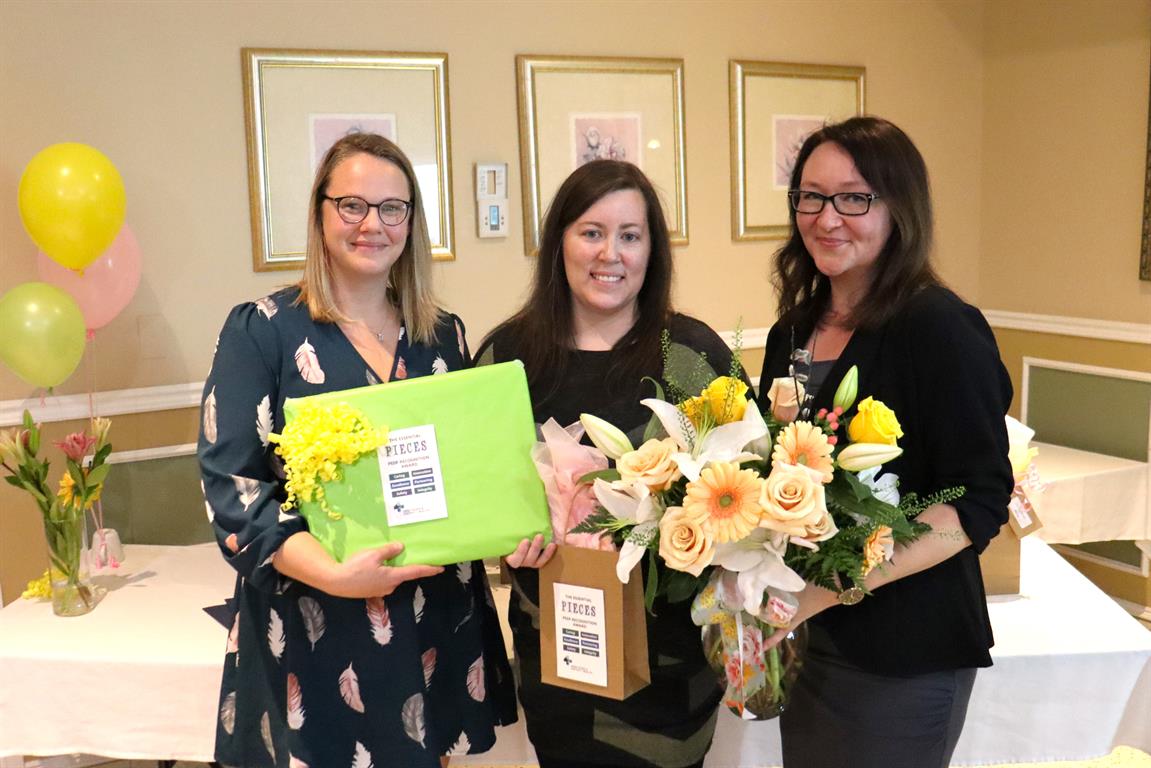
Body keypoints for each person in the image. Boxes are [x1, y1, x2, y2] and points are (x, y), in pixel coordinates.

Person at [198, 133, 515, 768]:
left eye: (392, 208)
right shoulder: (262, 331)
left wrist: (513, 518)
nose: (373, 224)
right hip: (319, 624)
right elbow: (236, 492)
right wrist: (338, 575)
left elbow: (472, 467)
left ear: (411, 222)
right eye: (352, 205)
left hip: (435, 613)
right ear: (320, 213)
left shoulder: (442, 336)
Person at [757, 116, 1014, 767]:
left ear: (898, 207)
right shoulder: (792, 331)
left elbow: (975, 498)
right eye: (810, 196)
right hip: (806, 646)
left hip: (903, 653)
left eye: (853, 197)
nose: (825, 216)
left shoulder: (938, 328)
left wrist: (827, 586)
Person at [474, 160, 749, 768]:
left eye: (631, 234)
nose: (611, 254)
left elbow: (749, 495)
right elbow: (481, 492)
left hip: (672, 661)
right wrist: (506, 538)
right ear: (559, 243)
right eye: (591, 232)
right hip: (559, 646)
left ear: (652, 249)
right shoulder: (506, 358)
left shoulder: (694, 356)